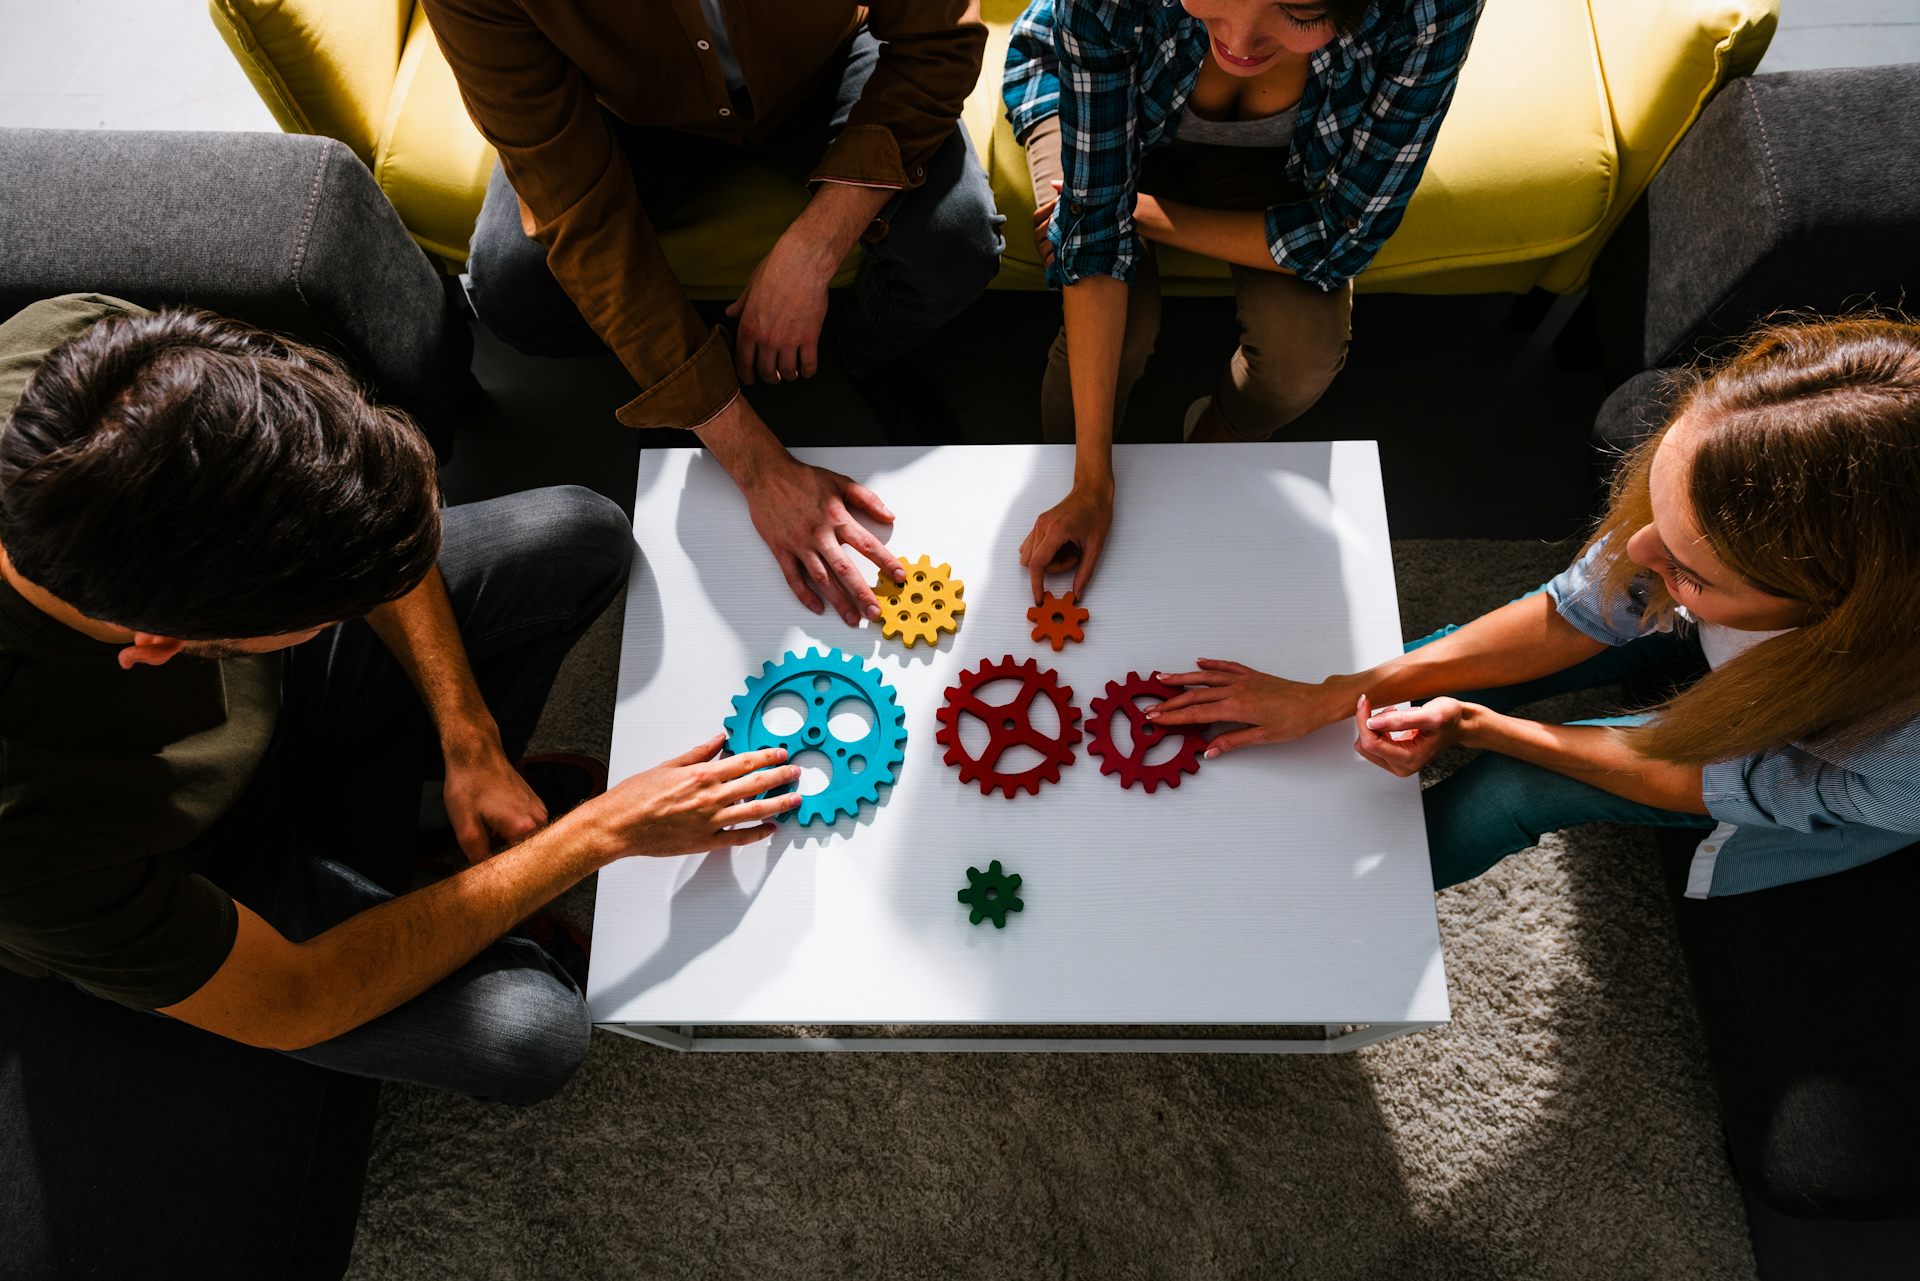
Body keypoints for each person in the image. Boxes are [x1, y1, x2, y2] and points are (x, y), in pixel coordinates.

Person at [0, 295, 804, 1103]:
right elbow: (294, 999)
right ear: (163, 646)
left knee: (580, 531)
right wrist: (597, 835)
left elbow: (359, 495)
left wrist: (471, 737)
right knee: (531, 1035)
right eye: (328, 611)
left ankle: (425, 822)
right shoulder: (30, 836)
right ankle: (419, 854)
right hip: (198, 866)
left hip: (263, 688)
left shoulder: (96, 362)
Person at [1147, 316, 1920, 897]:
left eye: (1688, 569)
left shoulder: (1898, 751)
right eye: (1656, 510)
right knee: (1437, 677)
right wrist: (1336, 693)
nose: (1639, 555)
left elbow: (1714, 777)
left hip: (1813, 751)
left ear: (1831, 611)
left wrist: (1481, 728)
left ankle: (1347, 892)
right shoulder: (1753, 490)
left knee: (1519, 786)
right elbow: (1575, 609)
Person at [425, 0, 1006, 627]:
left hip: (826, 70)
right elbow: (581, 218)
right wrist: (757, 469)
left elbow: (939, 46)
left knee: (957, 243)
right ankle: (689, 380)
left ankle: (865, 354)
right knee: (514, 291)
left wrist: (812, 252)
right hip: (629, 112)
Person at [1004, 0, 1483, 602]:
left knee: (1303, 349)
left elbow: (1344, 235)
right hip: (1100, 96)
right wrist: (1089, 483)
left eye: (1298, 15)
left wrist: (1144, 214)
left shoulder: (1432, 9)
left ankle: (1212, 450)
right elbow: (1094, 244)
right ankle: (1071, 472)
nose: (1238, 41)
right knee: (1115, 334)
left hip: (1279, 159)